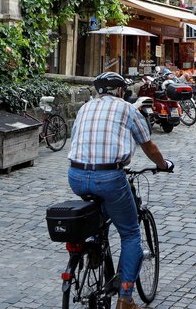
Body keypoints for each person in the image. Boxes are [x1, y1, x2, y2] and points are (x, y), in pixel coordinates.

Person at [68, 72, 174, 309]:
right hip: (109, 177)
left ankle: (94, 242)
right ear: (119, 91)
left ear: (98, 91)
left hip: (75, 176)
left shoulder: (85, 109)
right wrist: (163, 165)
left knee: (99, 205)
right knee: (130, 234)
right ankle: (125, 297)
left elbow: (76, 139)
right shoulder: (127, 109)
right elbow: (149, 145)